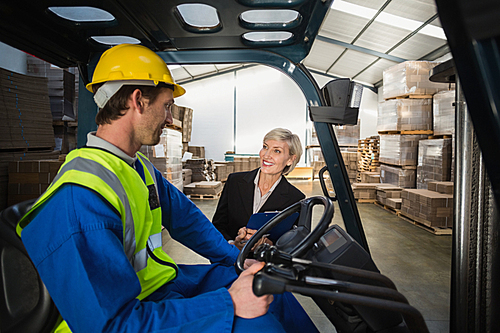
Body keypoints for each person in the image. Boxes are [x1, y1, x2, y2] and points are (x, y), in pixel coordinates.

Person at [16, 44, 318, 333]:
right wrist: (228, 302)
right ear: (138, 100)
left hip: (161, 286)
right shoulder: (79, 198)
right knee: (260, 324)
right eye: (167, 106)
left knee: (267, 287)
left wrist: (235, 258)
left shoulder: (137, 168)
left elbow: (187, 220)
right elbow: (110, 326)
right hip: (133, 313)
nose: (171, 119)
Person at [213, 128, 305, 250]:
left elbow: (294, 245)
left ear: (290, 160)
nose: (266, 155)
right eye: (265, 147)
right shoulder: (235, 182)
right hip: (229, 261)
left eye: (276, 151)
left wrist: (270, 245)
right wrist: (232, 245)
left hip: (264, 266)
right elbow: (217, 227)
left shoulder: (296, 198)